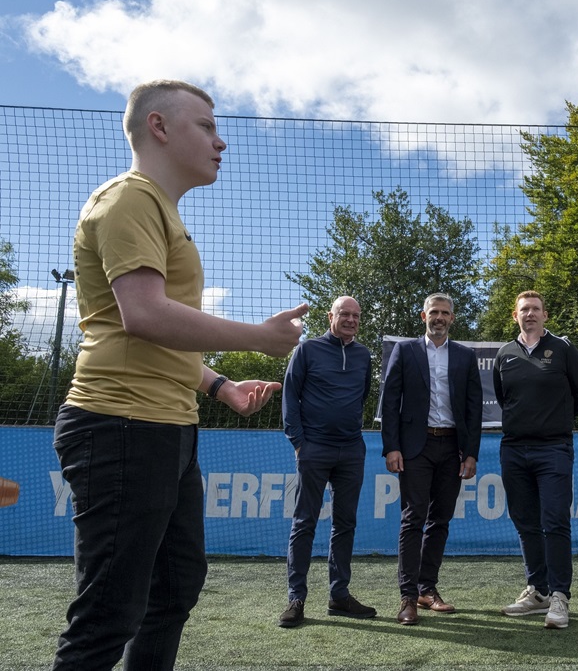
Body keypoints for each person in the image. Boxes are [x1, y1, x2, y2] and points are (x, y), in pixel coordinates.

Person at [52, 80, 308, 671]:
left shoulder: (160, 210)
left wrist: (220, 386)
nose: (222, 142)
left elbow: (159, 338)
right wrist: (259, 339)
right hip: (118, 426)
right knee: (109, 613)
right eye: (207, 126)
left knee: (176, 586)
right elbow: (142, 317)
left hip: (165, 426)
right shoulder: (129, 199)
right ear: (160, 127)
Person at [380, 293, 483, 625]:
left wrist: (471, 453)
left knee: (440, 521)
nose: (439, 317)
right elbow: (390, 400)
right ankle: (408, 598)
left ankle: (428, 590)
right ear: (423, 315)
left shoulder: (466, 356)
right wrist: (391, 447)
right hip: (415, 448)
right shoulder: (405, 350)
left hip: (452, 448)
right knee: (413, 519)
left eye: (445, 313)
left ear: (452, 318)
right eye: (434, 312)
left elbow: (473, 408)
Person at [493, 290, 578, 629]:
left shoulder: (564, 350)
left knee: (555, 522)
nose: (530, 314)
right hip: (514, 449)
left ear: (546, 315)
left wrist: (553, 422)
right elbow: (504, 397)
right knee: (525, 523)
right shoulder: (504, 353)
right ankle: (538, 592)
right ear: (515, 316)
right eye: (524, 310)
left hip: (554, 449)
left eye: (535, 309)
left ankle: (560, 596)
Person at [279, 296, 376, 628]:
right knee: (304, 522)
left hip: (351, 449)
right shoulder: (307, 350)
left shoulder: (364, 355)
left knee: (345, 524)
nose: (351, 320)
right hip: (313, 449)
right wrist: (298, 442)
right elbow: (290, 394)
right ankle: (296, 599)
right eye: (344, 314)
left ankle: (339, 595)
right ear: (330, 316)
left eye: (356, 315)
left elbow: (362, 395)